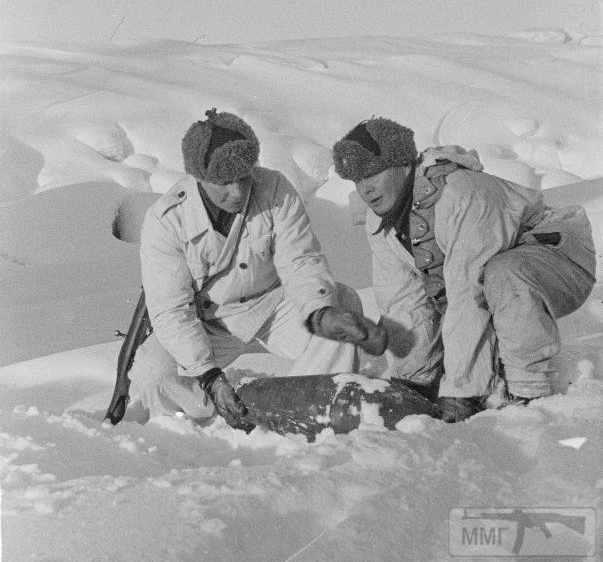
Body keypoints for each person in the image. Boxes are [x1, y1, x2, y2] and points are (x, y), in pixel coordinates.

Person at [130, 108, 386, 430]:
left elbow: (300, 261)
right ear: (198, 176)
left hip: (275, 307)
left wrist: (321, 312)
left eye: (243, 177)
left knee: (342, 305)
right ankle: (205, 412)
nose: (237, 192)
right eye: (223, 182)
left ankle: (300, 405)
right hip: (211, 322)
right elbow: (171, 311)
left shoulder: (275, 189)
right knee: (152, 377)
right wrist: (210, 376)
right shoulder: (166, 220)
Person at [332, 117, 596, 422]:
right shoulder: (379, 221)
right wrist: (415, 382)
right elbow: (403, 301)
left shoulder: (461, 194)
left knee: (503, 273)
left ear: (403, 164)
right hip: (491, 278)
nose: (366, 188)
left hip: (559, 257)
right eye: (357, 180)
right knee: (479, 286)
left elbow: (467, 294)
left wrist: (461, 393)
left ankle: (529, 395)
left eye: (373, 173)